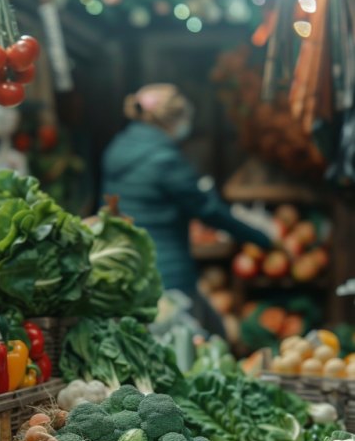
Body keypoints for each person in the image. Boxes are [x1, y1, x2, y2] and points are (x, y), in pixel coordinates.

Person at [100, 84, 273, 336]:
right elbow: (208, 210)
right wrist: (262, 238)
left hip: (123, 270)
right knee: (196, 345)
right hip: (166, 274)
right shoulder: (165, 160)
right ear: (174, 120)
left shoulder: (116, 150)